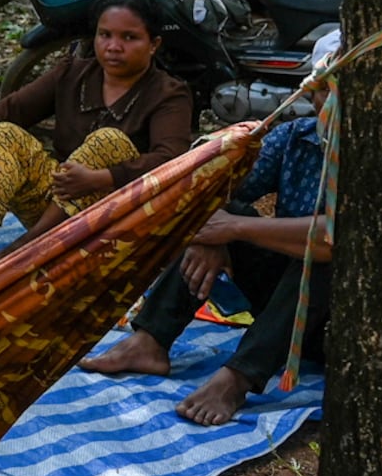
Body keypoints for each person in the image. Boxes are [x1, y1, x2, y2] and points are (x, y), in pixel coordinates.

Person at [80, 30, 340, 425]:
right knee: (217, 205)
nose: (333, 105)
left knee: (325, 257)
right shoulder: (294, 137)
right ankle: (150, 340)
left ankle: (237, 378)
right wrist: (213, 233)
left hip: (337, 322)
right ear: (311, 95)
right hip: (283, 310)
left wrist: (233, 229)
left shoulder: (377, 153)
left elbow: (332, 239)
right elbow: (211, 186)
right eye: (325, 92)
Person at [0, 0, 193, 273]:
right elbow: (11, 110)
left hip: (116, 220)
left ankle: (25, 249)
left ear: (153, 44)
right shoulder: (73, 73)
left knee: (108, 141)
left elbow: (172, 161)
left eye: (129, 38)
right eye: (105, 35)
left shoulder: (169, 94)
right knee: (3, 133)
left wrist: (101, 179)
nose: (114, 46)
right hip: (59, 205)